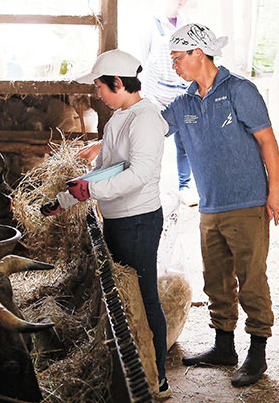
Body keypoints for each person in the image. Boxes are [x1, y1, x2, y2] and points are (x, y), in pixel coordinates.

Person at [161, 23, 279, 388]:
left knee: (251, 279)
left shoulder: (240, 91)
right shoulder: (183, 103)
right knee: (215, 280)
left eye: (177, 58)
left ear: (198, 54)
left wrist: (275, 190)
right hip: (210, 207)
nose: (174, 66)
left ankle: (258, 352)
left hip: (247, 203)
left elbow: (267, 140)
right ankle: (224, 347)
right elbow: (151, 127)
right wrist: (105, 145)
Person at [46, 49, 172, 399]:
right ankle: (137, 366)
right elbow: (105, 170)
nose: (97, 93)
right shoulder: (119, 117)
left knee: (145, 299)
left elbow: (140, 174)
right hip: (118, 219)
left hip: (138, 221)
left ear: (118, 83)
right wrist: (66, 199)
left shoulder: (144, 119)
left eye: (101, 86)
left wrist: (91, 189)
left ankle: (157, 377)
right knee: (123, 297)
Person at [137, 0, 198, 205]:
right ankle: (147, 185)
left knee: (185, 141)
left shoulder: (189, 23)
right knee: (152, 140)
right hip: (155, 95)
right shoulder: (151, 23)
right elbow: (142, 60)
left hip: (181, 93)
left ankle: (185, 186)